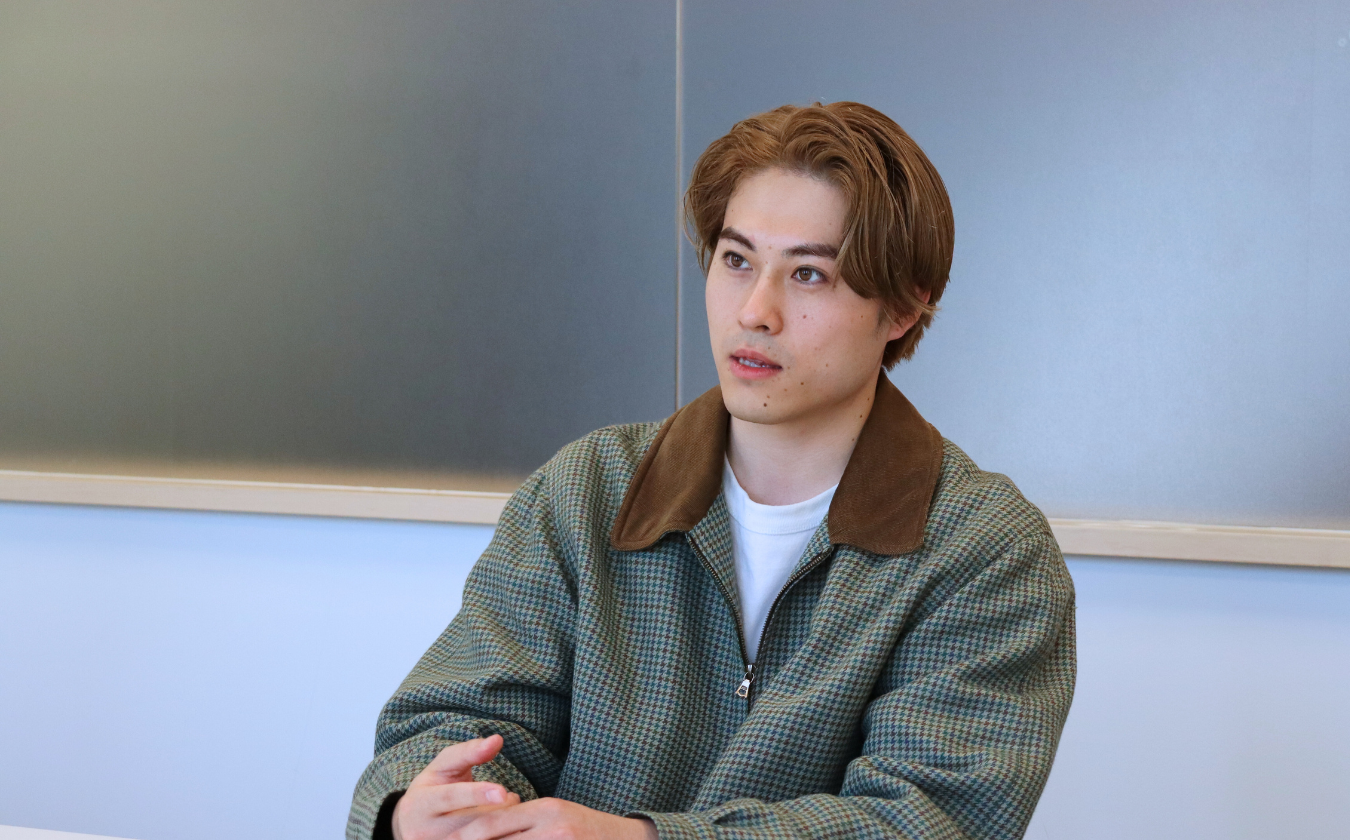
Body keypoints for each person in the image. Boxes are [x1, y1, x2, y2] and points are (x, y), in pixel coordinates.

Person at [347, 102, 1075, 840]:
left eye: (810, 274)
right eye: (736, 261)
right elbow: (455, 723)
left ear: (904, 310)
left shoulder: (986, 551)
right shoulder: (587, 490)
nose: (755, 311)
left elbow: (925, 819)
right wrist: (422, 808)